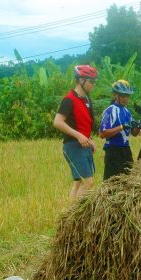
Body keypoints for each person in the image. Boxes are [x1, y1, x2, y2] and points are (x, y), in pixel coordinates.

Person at [53, 65, 98, 202]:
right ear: (81, 80)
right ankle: (78, 216)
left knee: (78, 182)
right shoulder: (69, 100)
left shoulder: (87, 100)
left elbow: (84, 125)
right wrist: (78, 136)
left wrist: (89, 141)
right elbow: (58, 122)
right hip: (73, 146)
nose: (93, 85)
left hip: (84, 145)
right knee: (88, 182)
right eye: (91, 81)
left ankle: (71, 213)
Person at [99, 80, 141, 180]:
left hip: (126, 150)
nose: (125, 99)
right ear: (115, 95)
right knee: (111, 183)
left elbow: (134, 134)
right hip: (113, 150)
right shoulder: (109, 111)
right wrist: (121, 127)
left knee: (129, 181)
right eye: (123, 96)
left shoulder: (127, 111)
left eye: (127, 96)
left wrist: (137, 127)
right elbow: (102, 133)